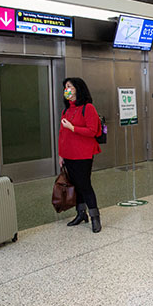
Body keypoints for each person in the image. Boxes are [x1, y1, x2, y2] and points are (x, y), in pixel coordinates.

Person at [58, 77, 102, 233]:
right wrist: (61, 154)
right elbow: (62, 134)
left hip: (83, 154)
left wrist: (73, 128)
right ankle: (81, 213)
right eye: (65, 87)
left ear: (78, 88)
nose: (67, 89)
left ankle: (95, 216)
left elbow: (92, 131)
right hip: (68, 154)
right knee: (76, 185)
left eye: (69, 86)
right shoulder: (66, 110)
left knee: (84, 184)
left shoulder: (88, 108)